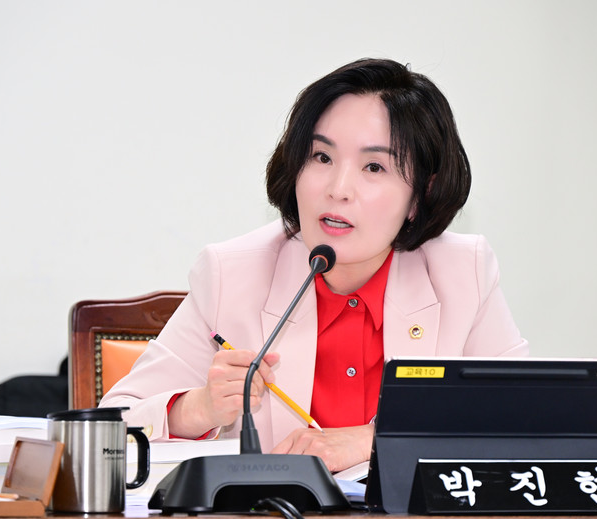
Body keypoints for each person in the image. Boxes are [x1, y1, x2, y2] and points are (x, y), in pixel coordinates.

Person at [100, 58, 527, 473]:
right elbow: (110, 431)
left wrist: (371, 440)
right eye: (322, 157)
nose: (338, 189)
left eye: (374, 166)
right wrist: (199, 408)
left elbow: (527, 421)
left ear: (421, 195)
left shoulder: (462, 273)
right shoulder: (232, 274)